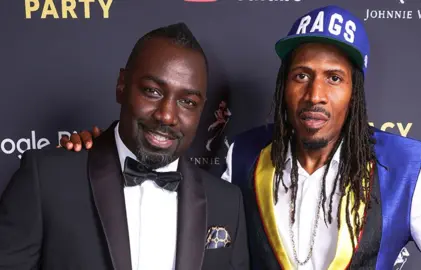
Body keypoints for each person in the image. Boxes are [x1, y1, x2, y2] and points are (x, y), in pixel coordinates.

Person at [58, 5, 421, 270]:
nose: (315, 95)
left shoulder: (407, 166)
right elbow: (166, 205)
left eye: (334, 79)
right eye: (302, 76)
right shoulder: (241, 153)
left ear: (355, 92)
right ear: (284, 86)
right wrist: (99, 154)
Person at [0, 23, 249, 270]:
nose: (167, 115)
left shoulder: (227, 203)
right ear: (122, 85)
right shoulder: (46, 180)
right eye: (152, 91)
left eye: (187, 101)